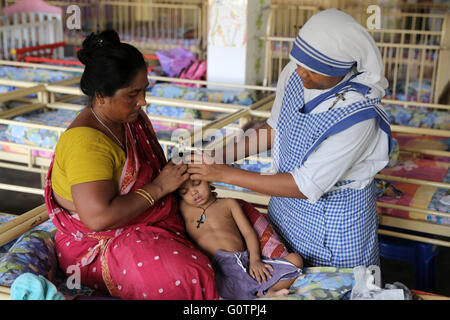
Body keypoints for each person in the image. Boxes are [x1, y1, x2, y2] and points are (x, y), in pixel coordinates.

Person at [186, 9, 393, 268]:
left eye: (314, 71)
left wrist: (223, 173)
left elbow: (304, 185)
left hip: (335, 226)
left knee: (334, 291)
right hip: (285, 210)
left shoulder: (359, 116)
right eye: (299, 64)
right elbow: (275, 129)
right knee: (286, 281)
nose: (302, 73)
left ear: (339, 68)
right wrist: (217, 157)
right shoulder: (295, 74)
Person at [44, 30, 218, 300]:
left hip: (143, 220)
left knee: (227, 218)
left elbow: (148, 169)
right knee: (187, 275)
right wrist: (160, 187)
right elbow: (98, 219)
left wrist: (181, 174)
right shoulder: (86, 144)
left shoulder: (128, 120)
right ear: (101, 95)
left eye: (144, 90)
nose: (143, 101)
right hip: (98, 244)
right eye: (133, 94)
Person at [177, 179, 303, 299]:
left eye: (197, 183)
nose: (193, 192)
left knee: (295, 259)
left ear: (209, 180)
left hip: (246, 264)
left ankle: (267, 292)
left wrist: (255, 259)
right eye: (184, 191)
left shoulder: (229, 204)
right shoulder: (184, 209)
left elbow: (248, 233)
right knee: (214, 289)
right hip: (219, 271)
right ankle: (257, 293)